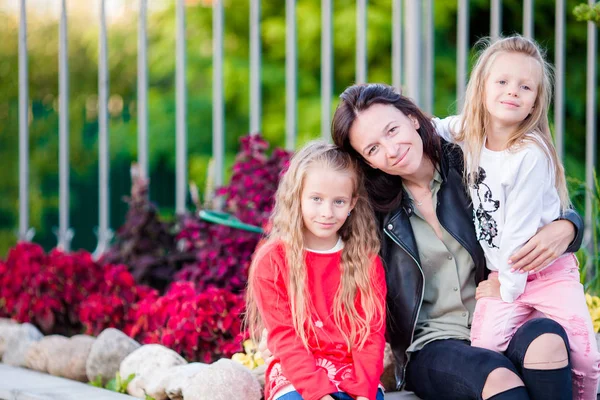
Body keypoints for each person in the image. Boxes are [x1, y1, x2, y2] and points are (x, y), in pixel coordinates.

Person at [331, 82, 584, 400]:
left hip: (502, 315)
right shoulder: (369, 210)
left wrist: (568, 226)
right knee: (496, 376)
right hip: (434, 343)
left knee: (548, 341)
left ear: (411, 117)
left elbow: (546, 204)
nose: (391, 150)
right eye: (373, 149)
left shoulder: (473, 162)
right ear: (368, 162)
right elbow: (315, 229)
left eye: (392, 130)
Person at [433, 35, 600, 400]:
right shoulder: (471, 133)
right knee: (486, 351)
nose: (513, 92)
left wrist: (505, 288)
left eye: (525, 87)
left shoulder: (530, 154)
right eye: (503, 82)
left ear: (535, 102)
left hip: (544, 273)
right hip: (505, 274)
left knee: (587, 358)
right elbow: (438, 126)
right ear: (482, 87)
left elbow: (519, 235)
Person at [245, 141, 387, 400]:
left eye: (339, 201)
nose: (327, 213)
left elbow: (371, 335)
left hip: (354, 375)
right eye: (316, 199)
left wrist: (365, 392)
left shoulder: (365, 261)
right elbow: (285, 338)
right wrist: (320, 394)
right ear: (296, 197)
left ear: (353, 203)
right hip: (297, 376)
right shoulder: (273, 260)